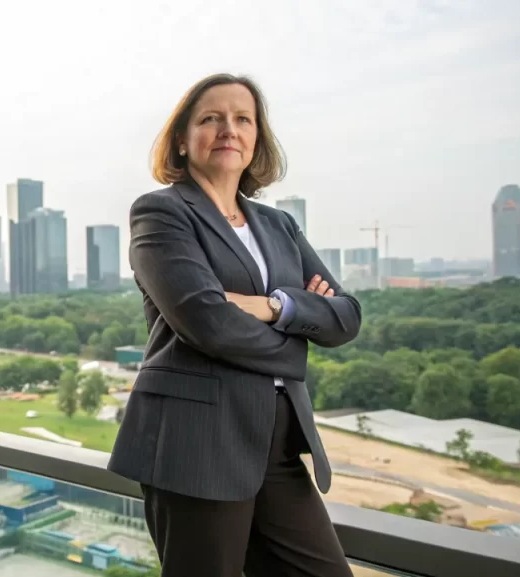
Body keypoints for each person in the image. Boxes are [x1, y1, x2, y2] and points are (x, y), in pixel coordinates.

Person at [108, 73, 362, 577]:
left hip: (278, 442)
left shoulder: (279, 225)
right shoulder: (161, 213)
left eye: (242, 119)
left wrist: (273, 307)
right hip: (197, 440)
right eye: (210, 118)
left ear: (256, 139)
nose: (229, 129)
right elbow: (208, 323)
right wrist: (298, 340)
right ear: (182, 140)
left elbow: (346, 317)